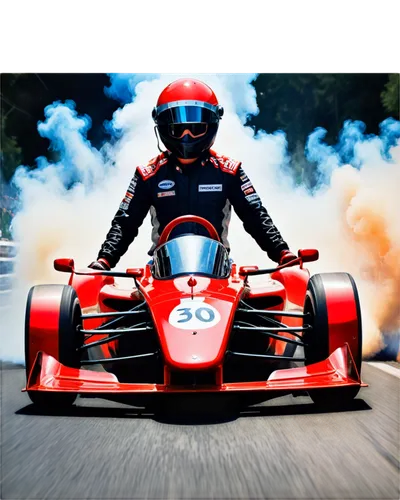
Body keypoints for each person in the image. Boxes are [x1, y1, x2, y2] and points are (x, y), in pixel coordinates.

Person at [88, 78, 296, 271]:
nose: (186, 135)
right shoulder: (147, 174)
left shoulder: (229, 171)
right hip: (161, 272)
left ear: (212, 125)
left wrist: (282, 253)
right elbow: (125, 223)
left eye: (195, 128)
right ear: (162, 127)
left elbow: (256, 216)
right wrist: (104, 261)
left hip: (219, 271)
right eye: (177, 129)